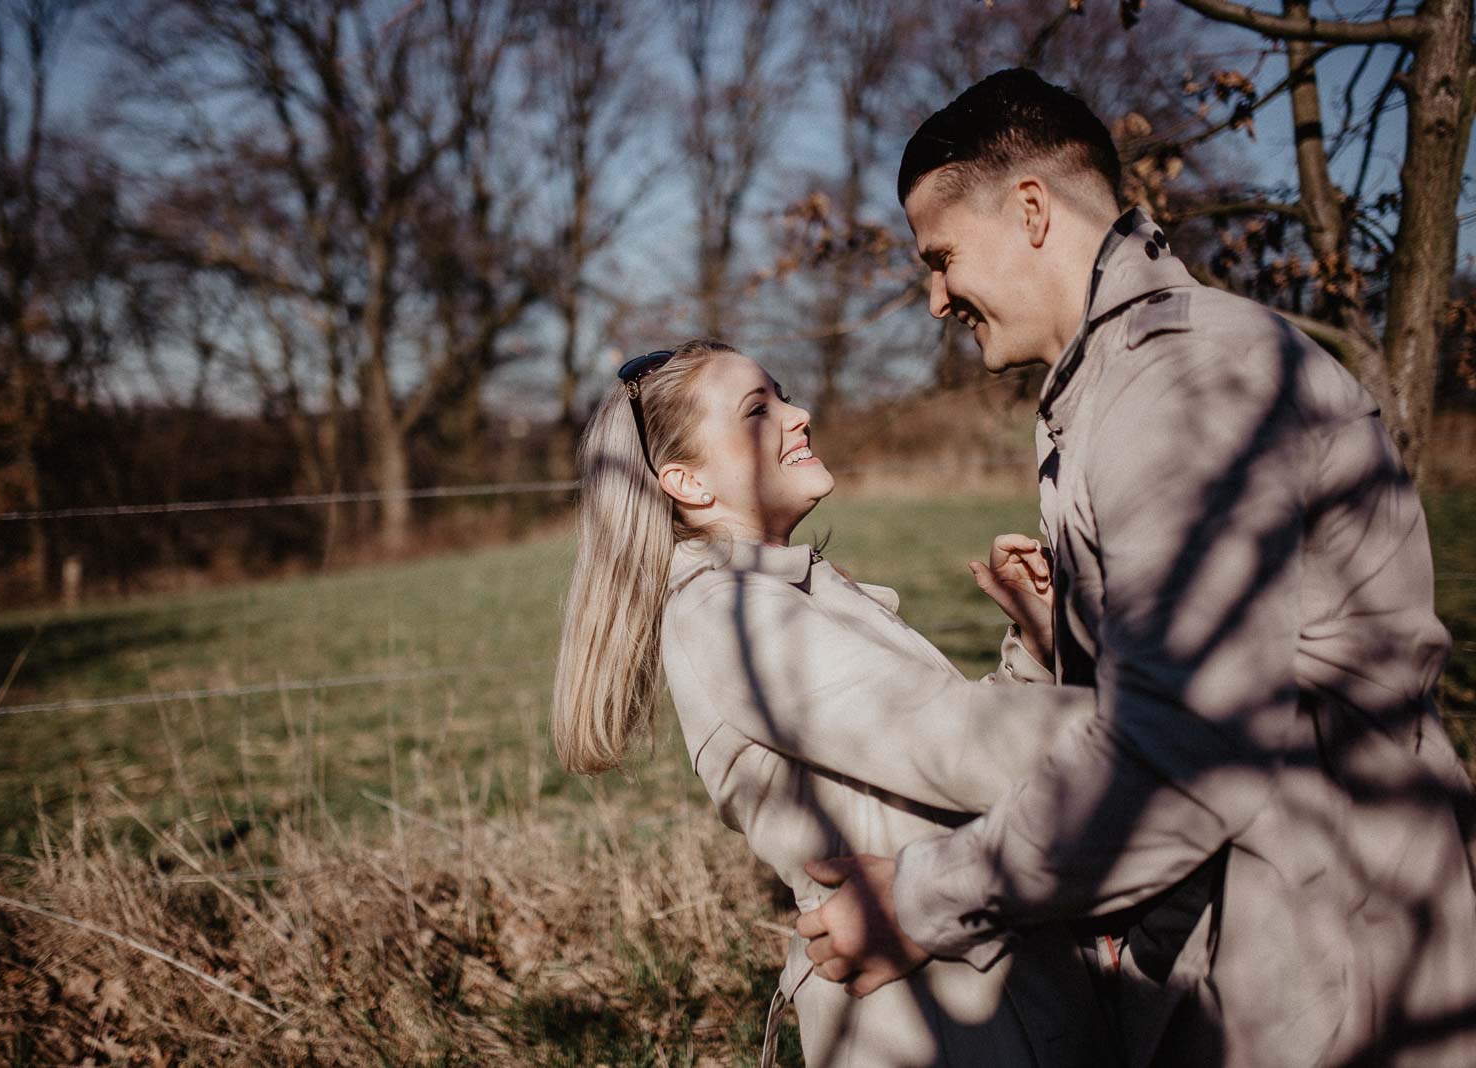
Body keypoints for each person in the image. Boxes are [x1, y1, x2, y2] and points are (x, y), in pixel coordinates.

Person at [796, 68, 1476, 1067]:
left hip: (1331, 971)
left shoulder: (1185, 387)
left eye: (940, 258)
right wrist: (1066, 640)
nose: (935, 297)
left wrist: (919, 898)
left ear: (1031, 209)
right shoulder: (1110, 390)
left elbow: (1178, 753)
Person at [551, 338, 1112, 1066]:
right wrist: (1175, 716)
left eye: (783, 395)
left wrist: (1035, 652)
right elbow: (962, 750)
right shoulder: (735, 620)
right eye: (759, 410)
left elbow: (923, 763)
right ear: (687, 483)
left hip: (976, 988)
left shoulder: (783, 593)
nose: (800, 414)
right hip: (941, 1018)